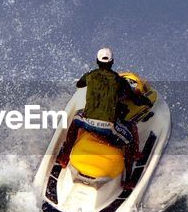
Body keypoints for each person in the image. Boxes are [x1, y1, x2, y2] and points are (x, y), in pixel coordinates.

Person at [56, 47, 152, 187]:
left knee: (76, 119)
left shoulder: (91, 75)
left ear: (97, 61)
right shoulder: (119, 81)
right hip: (108, 127)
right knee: (130, 134)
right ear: (112, 62)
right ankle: (128, 179)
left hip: (86, 121)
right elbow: (135, 100)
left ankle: (65, 156)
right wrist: (146, 101)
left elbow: (79, 84)